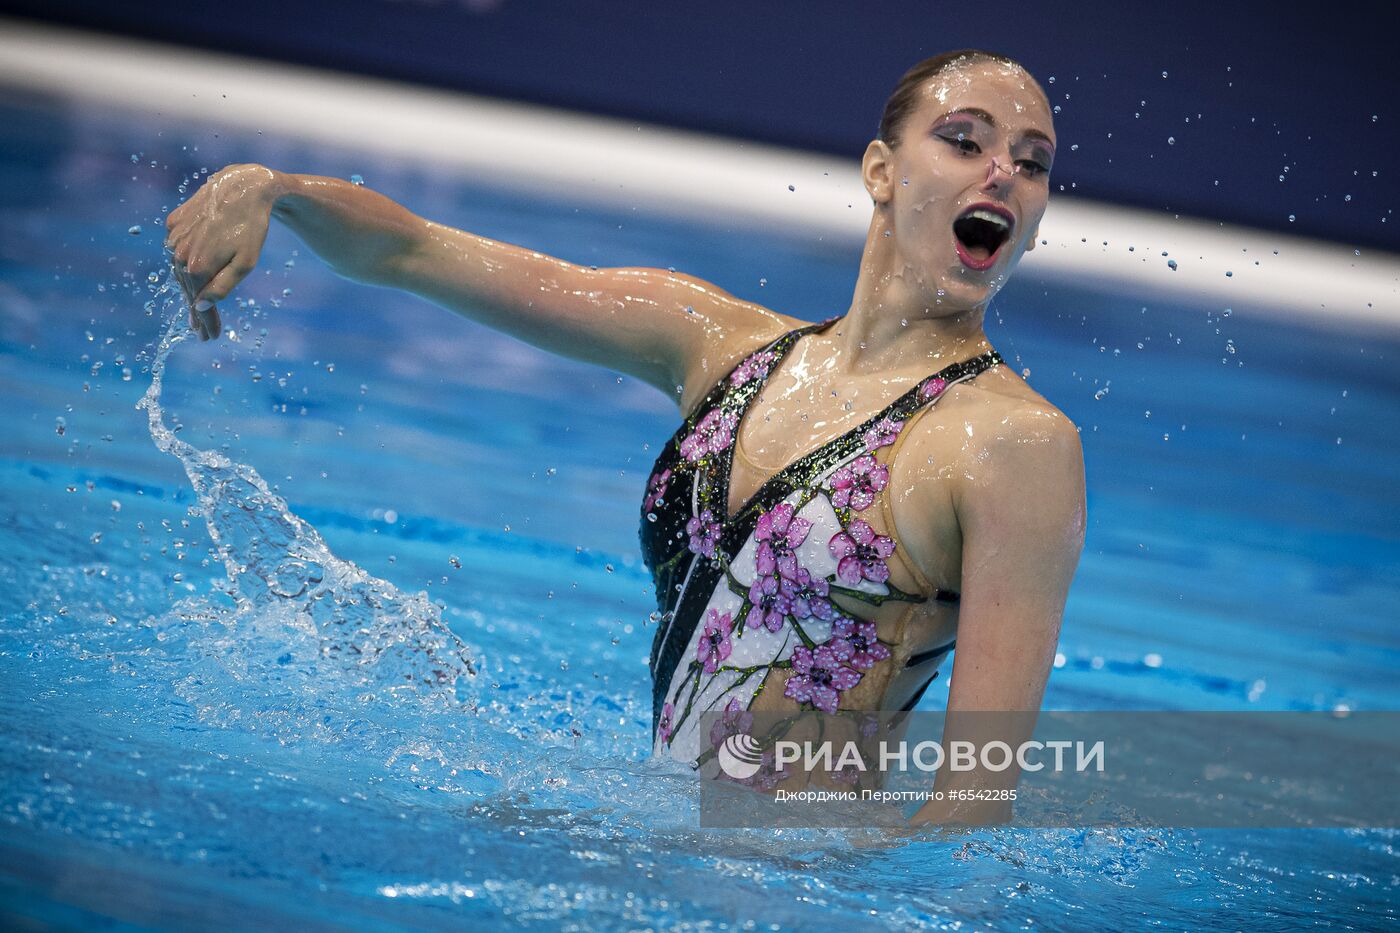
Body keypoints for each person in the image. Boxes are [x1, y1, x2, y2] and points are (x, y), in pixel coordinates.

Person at [164, 49, 1086, 826]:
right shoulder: (721, 346)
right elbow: (416, 251)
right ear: (882, 171)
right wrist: (271, 189)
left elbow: (973, 799)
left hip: (802, 883)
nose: (1001, 172)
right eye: (964, 141)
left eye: (1033, 162)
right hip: (652, 834)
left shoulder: (1013, 443)